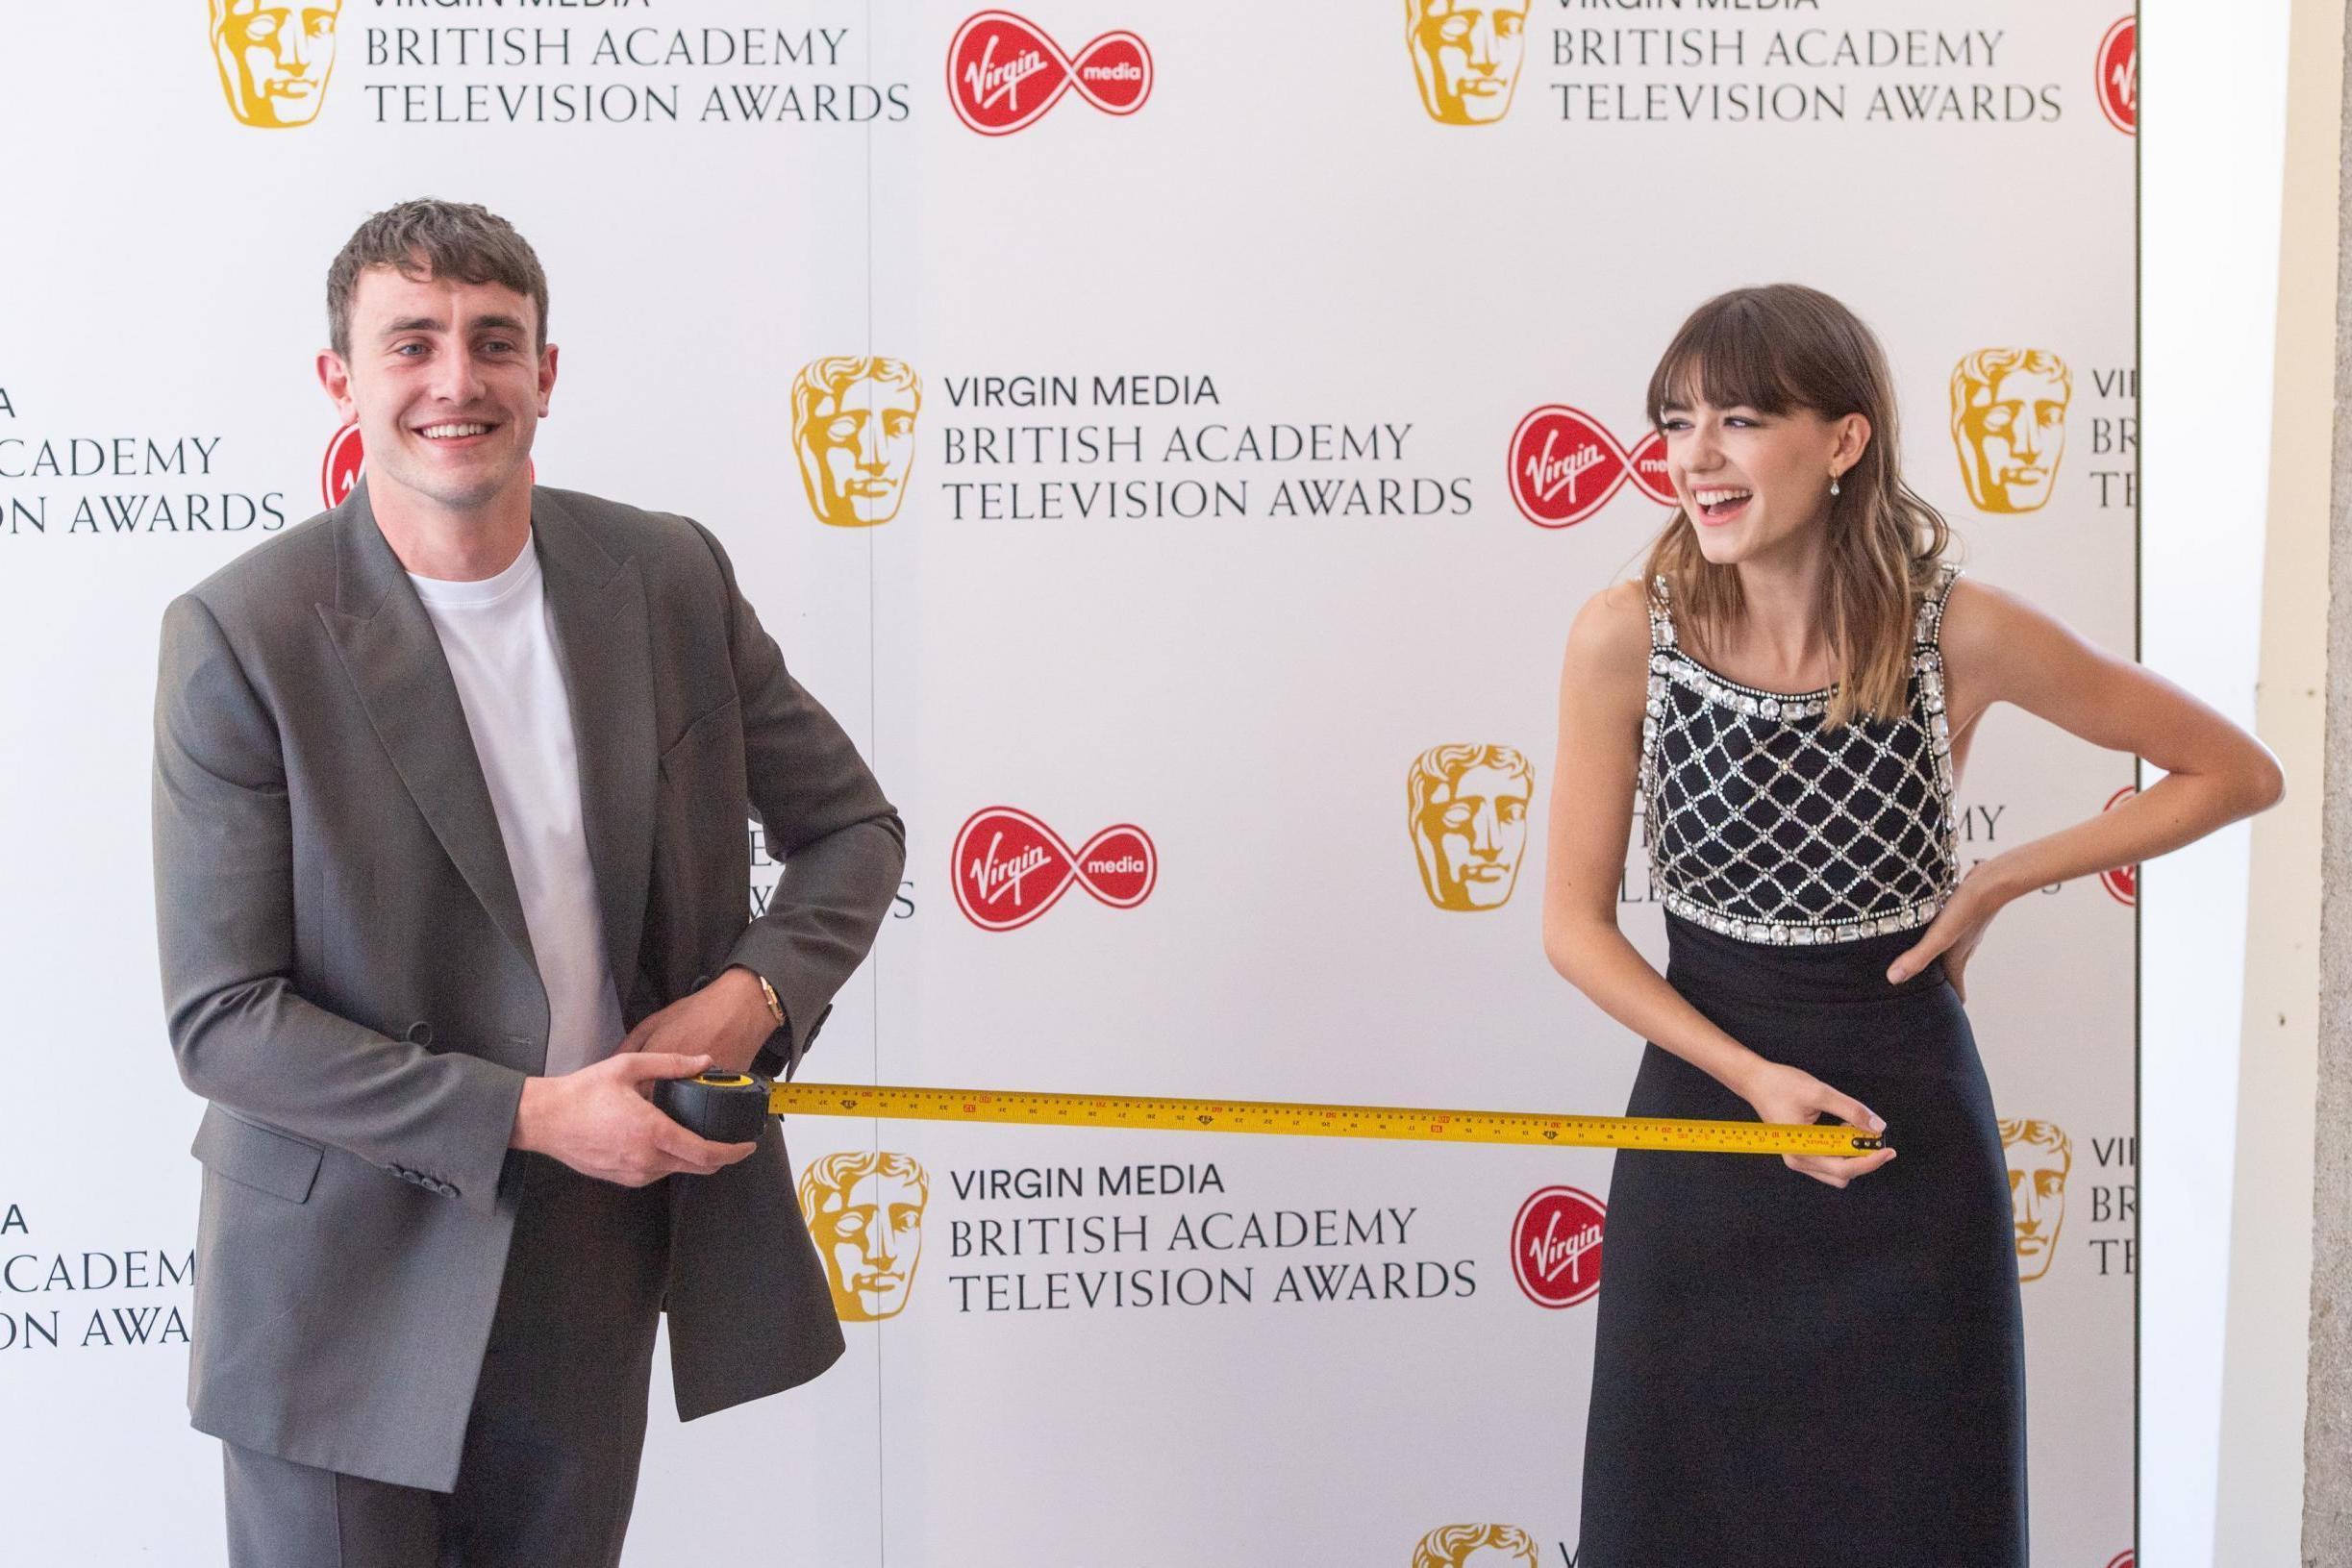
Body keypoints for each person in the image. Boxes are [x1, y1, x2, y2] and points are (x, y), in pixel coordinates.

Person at [152, 198, 906, 1566]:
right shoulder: (241, 635)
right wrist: (534, 1112)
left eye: (495, 342)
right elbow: (225, 1020)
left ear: (545, 375)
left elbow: (851, 830)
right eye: (413, 343)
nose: (457, 381)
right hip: (340, 1277)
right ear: (344, 380)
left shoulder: (667, 576)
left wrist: (751, 995)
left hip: (592, 1249)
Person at [1539, 284, 2278, 1564]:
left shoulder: (1961, 633)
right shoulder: (1624, 636)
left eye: (1738, 419)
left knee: (1912, 1514)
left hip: (1905, 1141)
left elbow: (2236, 771)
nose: (1694, 457)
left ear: (1842, 441)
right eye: (1674, 423)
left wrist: (1995, 879)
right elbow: (1572, 924)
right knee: (1680, 1517)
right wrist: (1748, 1078)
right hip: (1705, 1116)